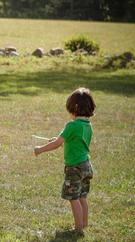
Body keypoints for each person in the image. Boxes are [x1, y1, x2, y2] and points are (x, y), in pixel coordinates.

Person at [34, 87, 96, 232]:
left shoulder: (72, 126)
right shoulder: (88, 126)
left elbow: (56, 144)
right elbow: (75, 145)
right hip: (86, 165)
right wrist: (62, 141)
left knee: (73, 198)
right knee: (82, 196)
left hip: (74, 168)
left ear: (74, 107)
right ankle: (84, 224)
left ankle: (78, 228)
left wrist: (40, 149)